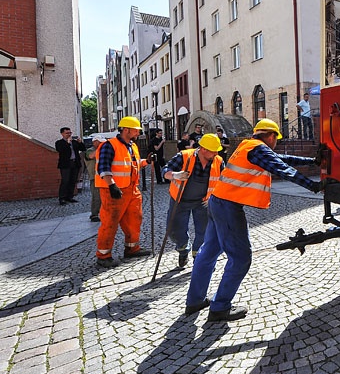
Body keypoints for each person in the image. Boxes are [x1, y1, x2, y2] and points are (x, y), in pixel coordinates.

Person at [185, 119, 323, 321]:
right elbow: (283, 169)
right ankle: (220, 307)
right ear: (271, 136)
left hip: (217, 201)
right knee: (241, 258)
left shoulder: (248, 145)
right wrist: (315, 187)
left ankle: (195, 301)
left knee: (209, 252)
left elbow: (281, 158)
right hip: (228, 207)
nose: (276, 142)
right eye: (276, 138)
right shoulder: (258, 149)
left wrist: (312, 162)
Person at [94, 116, 152, 268]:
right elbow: (103, 166)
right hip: (113, 191)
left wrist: (147, 162)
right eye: (136, 130)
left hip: (131, 190)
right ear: (126, 130)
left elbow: (133, 164)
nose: (138, 133)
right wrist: (111, 185)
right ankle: (103, 255)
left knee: (134, 219)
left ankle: (132, 248)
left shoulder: (132, 146)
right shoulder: (109, 145)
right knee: (110, 222)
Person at [163, 133, 225, 268]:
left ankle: (200, 259)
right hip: (180, 200)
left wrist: (215, 197)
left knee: (204, 232)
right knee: (175, 230)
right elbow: (165, 170)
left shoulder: (218, 161)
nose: (216, 153)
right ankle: (183, 249)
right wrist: (175, 175)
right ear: (203, 149)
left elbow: (223, 181)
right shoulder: (184, 156)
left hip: (203, 202)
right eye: (214, 151)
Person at [55, 127, 86, 205]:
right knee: (65, 181)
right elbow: (60, 150)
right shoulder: (59, 142)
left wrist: (80, 142)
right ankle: (62, 198)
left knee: (73, 181)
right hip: (65, 164)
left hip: (75, 163)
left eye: (70, 133)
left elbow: (83, 149)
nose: (69, 134)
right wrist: (68, 143)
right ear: (62, 134)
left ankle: (70, 197)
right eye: (67, 133)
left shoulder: (74, 142)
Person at [84, 136, 107, 221]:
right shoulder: (90, 150)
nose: (102, 144)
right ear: (95, 142)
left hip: (103, 176)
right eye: (100, 142)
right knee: (96, 197)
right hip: (94, 177)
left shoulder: (101, 150)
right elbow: (90, 156)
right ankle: (94, 214)